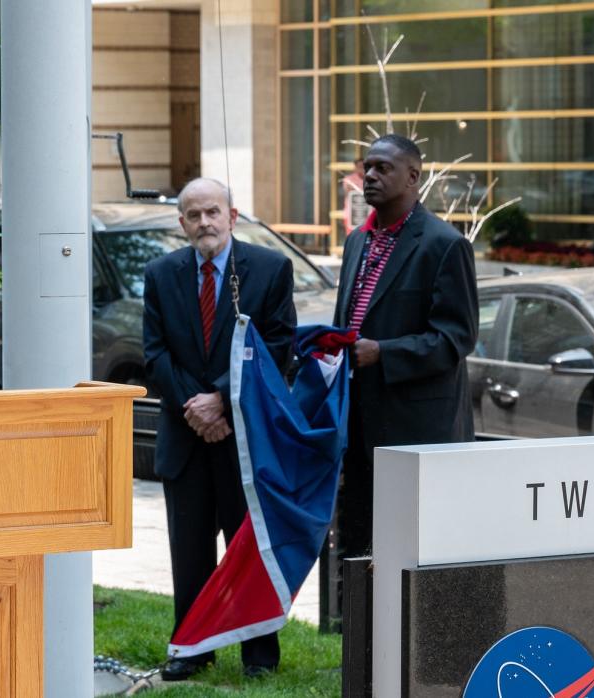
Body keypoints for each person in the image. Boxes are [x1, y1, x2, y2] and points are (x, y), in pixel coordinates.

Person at [143, 177, 296, 681]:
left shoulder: (270, 269)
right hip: (185, 436)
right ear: (181, 222)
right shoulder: (160, 274)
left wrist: (222, 403)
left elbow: (277, 347)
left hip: (243, 438)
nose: (204, 222)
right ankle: (192, 648)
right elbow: (155, 352)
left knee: (247, 547)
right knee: (188, 552)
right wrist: (195, 406)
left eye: (213, 212)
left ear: (232, 216)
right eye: (193, 214)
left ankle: (259, 655)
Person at [332, 134, 478, 560]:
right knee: (361, 550)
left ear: (413, 176)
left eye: (382, 168)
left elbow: (456, 338)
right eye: (367, 167)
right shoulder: (357, 241)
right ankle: (360, 628)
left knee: (412, 553)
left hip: (417, 432)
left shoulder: (444, 244)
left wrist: (384, 352)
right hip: (358, 423)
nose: (370, 176)